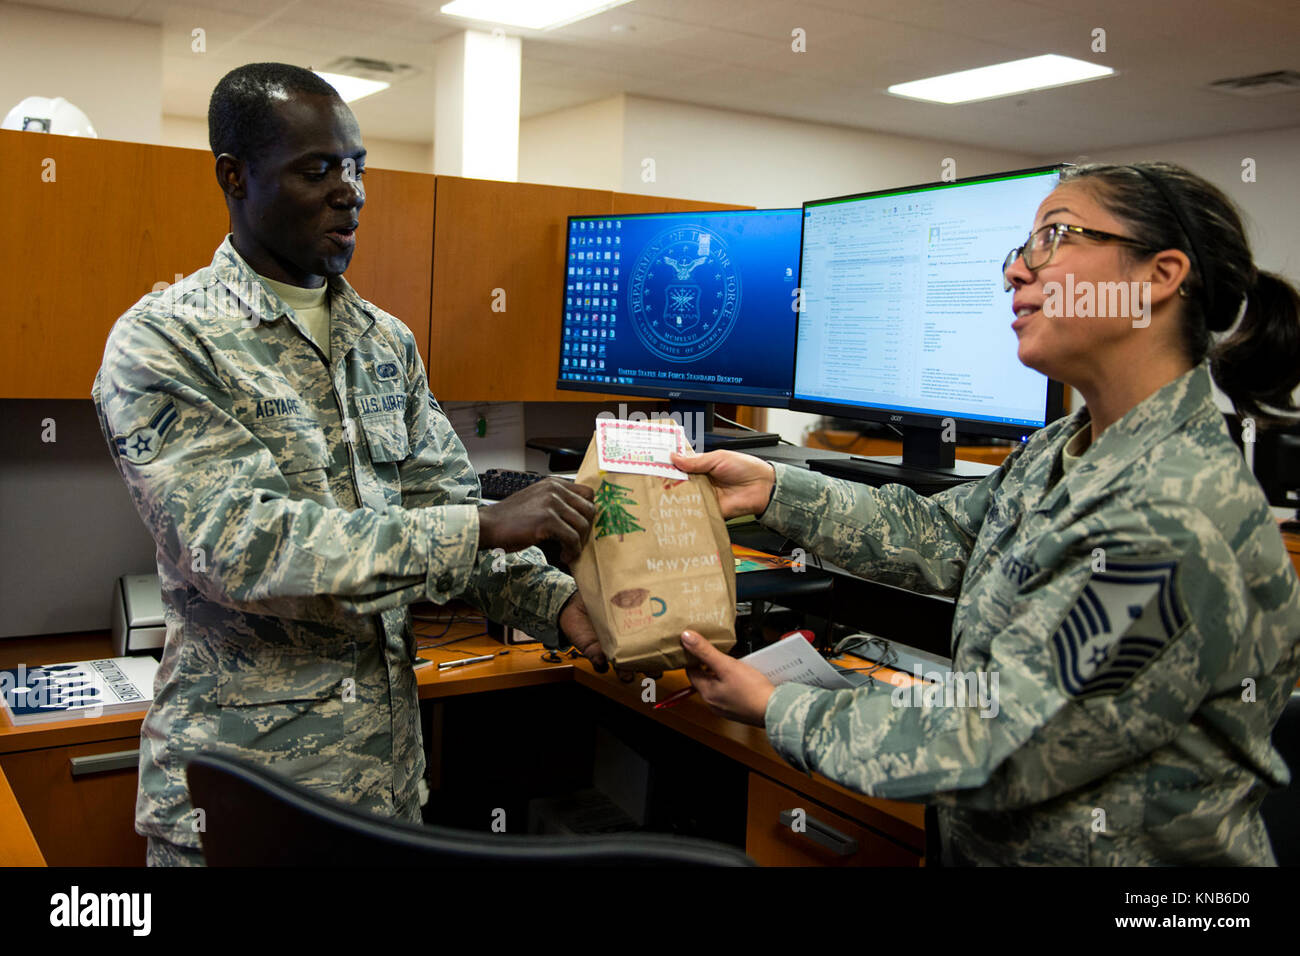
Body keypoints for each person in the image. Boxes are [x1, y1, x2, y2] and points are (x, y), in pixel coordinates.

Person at [671, 161, 1300, 865]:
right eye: (1020, 250)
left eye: (1054, 238)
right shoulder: (1068, 445)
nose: (1015, 274)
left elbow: (1001, 742)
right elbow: (944, 536)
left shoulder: (1175, 514)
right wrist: (771, 488)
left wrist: (775, 706)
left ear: (1158, 276)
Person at [92, 63, 607, 867]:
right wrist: (480, 523)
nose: (352, 190)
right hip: (247, 802)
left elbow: (445, 504)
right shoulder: (164, 341)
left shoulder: (382, 341)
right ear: (235, 176)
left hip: (388, 791)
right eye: (317, 169)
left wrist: (566, 609)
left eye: (357, 166)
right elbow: (244, 548)